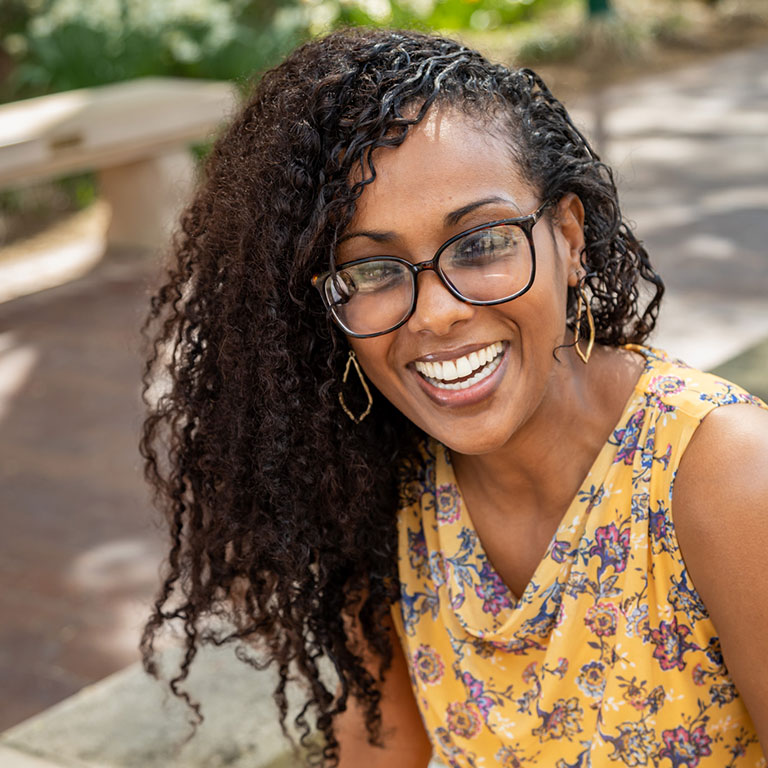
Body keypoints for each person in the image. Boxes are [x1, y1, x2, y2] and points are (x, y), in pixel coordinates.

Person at [139, 27, 768, 768]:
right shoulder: (376, 489)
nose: (436, 313)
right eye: (370, 271)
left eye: (480, 243)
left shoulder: (726, 479)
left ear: (568, 236)